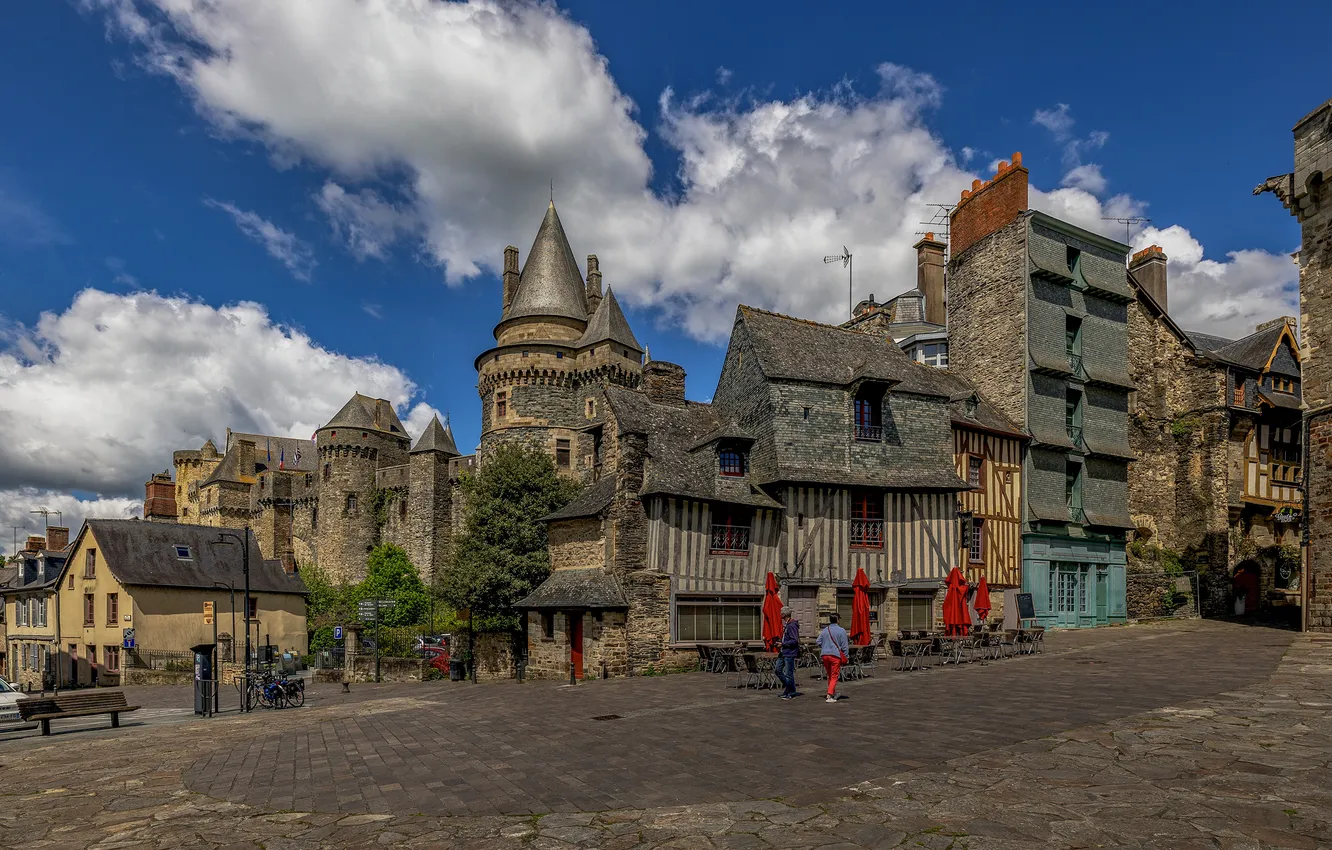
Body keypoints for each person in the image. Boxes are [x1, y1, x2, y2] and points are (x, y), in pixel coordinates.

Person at [817, 612, 850, 703]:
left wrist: (824, 646)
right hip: (835, 655)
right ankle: (829, 695)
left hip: (825, 655)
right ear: (838, 620)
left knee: (829, 675)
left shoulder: (825, 630)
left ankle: (833, 692)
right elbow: (844, 646)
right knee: (834, 676)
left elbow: (818, 641)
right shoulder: (841, 630)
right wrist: (846, 656)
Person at [776, 607, 800, 699]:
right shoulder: (786, 624)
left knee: (788, 673)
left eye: (781, 613)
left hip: (789, 652)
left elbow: (794, 640)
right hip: (783, 651)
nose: (780, 614)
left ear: (784, 614)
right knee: (778, 670)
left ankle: (791, 692)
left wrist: (783, 644)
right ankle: (789, 688)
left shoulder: (792, 625)